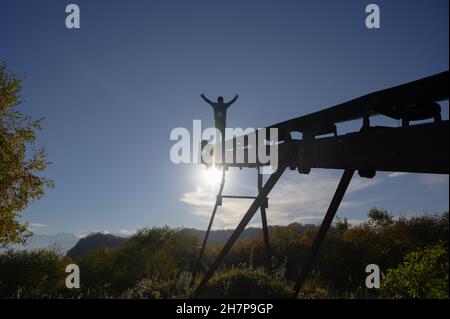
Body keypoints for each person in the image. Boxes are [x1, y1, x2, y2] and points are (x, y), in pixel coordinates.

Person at [201, 94, 239, 163]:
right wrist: (235, 98)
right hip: (220, 122)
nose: (220, 102)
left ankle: (220, 143)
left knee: (220, 134)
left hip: (220, 122)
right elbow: (231, 102)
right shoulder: (222, 105)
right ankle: (220, 143)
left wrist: (204, 97)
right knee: (220, 134)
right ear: (220, 100)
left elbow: (209, 101)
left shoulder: (219, 105)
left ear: (219, 100)